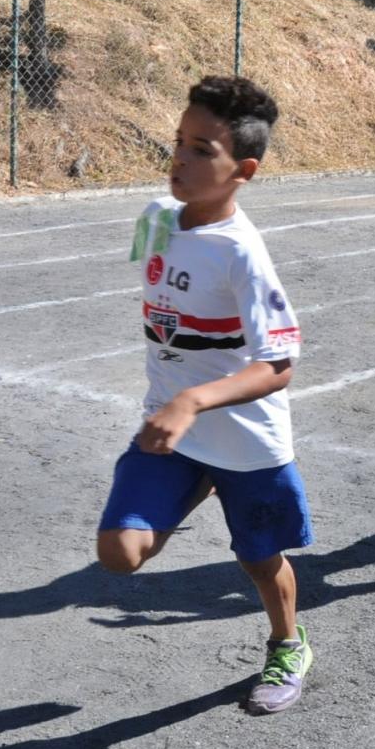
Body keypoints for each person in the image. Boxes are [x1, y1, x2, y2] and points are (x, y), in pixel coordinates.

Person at [98, 76, 315, 715]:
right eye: (178, 143)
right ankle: (199, 480)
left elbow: (279, 366)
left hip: (246, 440)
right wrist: (174, 399)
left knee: (258, 557)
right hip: (173, 433)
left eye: (201, 151)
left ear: (243, 170)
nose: (180, 161)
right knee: (119, 555)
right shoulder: (156, 219)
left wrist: (192, 399)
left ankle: (288, 644)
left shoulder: (244, 253)